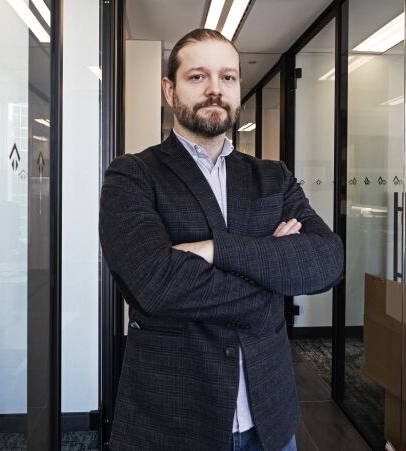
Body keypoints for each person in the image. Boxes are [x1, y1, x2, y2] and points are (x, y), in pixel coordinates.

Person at [99, 28, 344, 451]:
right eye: (198, 77)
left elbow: (326, 261)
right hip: (175, 420)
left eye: (227, 77)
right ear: (169, 89)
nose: (215, 90)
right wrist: (272, 274)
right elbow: (155, 285)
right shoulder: (133, 176)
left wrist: (215, 250)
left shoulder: (273, 177)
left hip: (270, 418)